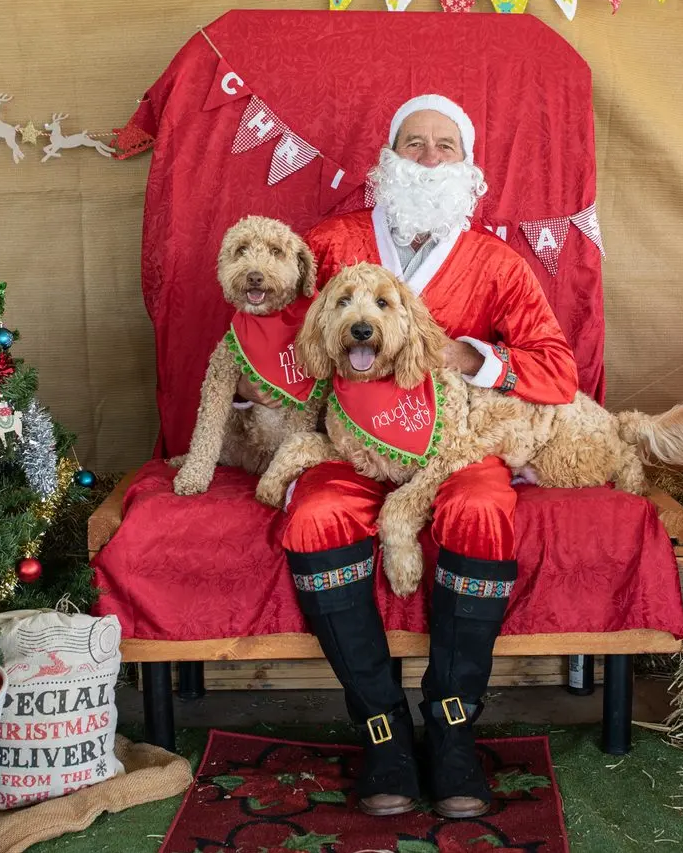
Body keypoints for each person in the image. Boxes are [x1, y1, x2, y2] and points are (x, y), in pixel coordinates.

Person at [237, 95, 579, 819]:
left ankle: (453, 733)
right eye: (414, 143)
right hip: (349, 441)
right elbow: (272, 332)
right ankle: (383, 732)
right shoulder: (330, 243)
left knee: (484, 508)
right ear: (388, 158)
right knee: (317, 516)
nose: (427, 157)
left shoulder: (497, 263)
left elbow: (558, 371)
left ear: (468, 165)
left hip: (451, 448)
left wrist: (474, 357)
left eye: (444, 146)